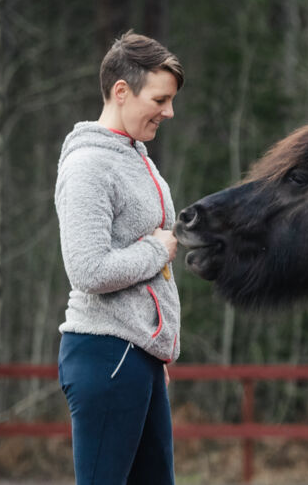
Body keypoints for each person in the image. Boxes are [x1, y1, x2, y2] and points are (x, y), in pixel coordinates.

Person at [54, 31, 183, 484]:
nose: (169, 111)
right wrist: (156, 249)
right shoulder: (89, 165)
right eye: (160, 99)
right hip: (107, 352)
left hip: (137, 357)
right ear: (122, 91)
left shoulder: (133, 156)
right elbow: (88, 269)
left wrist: (152, 353)